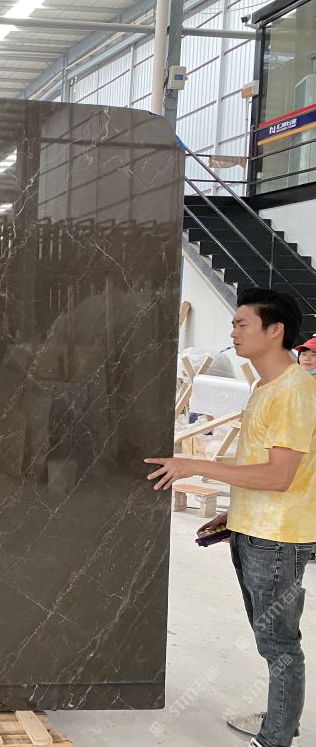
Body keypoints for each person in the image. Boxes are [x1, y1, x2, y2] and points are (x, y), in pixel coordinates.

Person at [146, 288, 316, 747]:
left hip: (278, 538)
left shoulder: (294, 393)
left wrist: (195, 465)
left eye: (242, 324)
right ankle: (279, 719)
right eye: (234, 324)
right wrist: (232, 513)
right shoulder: (266, 386)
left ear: (275, 330)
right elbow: (263, 466)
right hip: (255, 529)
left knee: (279, 643)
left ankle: (276, 736)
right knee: (270, 639)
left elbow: (280, 476)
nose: (233, 332)